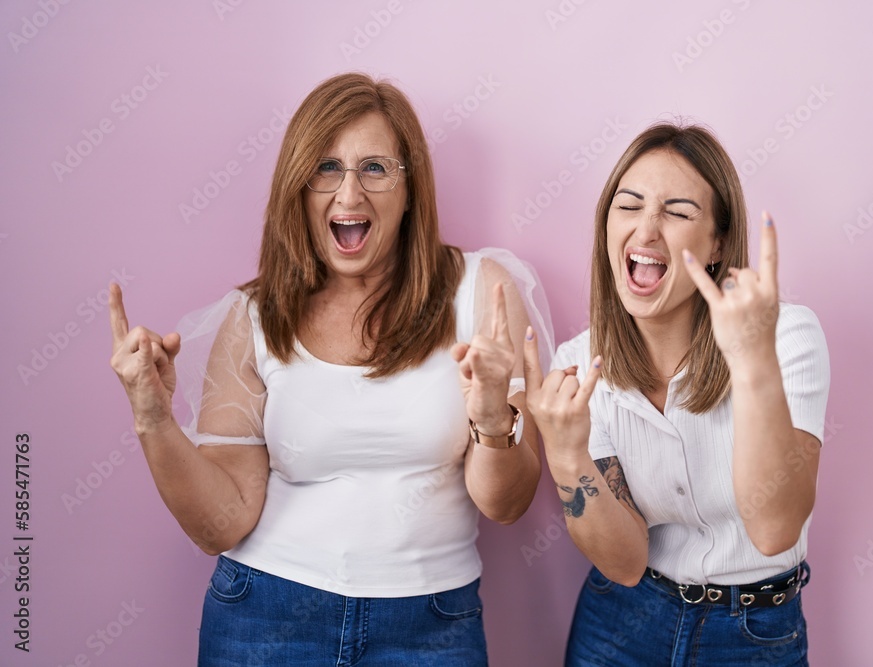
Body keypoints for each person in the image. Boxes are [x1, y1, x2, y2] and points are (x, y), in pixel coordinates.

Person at [108, 72, 553, 666]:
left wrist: (495, 417)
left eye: (375, 168)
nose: (349, 196)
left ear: (411, 187)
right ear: (299, 187)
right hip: (264, 618)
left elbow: (506, 504)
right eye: (326, 168)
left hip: (430, 626)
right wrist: (153, 419)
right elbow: (223, 523)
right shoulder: (254, 317)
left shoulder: (481, 293)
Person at [522, 122, 830, 666]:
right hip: (620, 622)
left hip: (754, 634)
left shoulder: (785, 337)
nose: (646, 229)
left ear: (716, 244)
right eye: (629, 205)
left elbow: (775, 527)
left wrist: (754, 364)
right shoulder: (578, 364)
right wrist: (568, 456)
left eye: (678, 211)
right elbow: (624, 562)